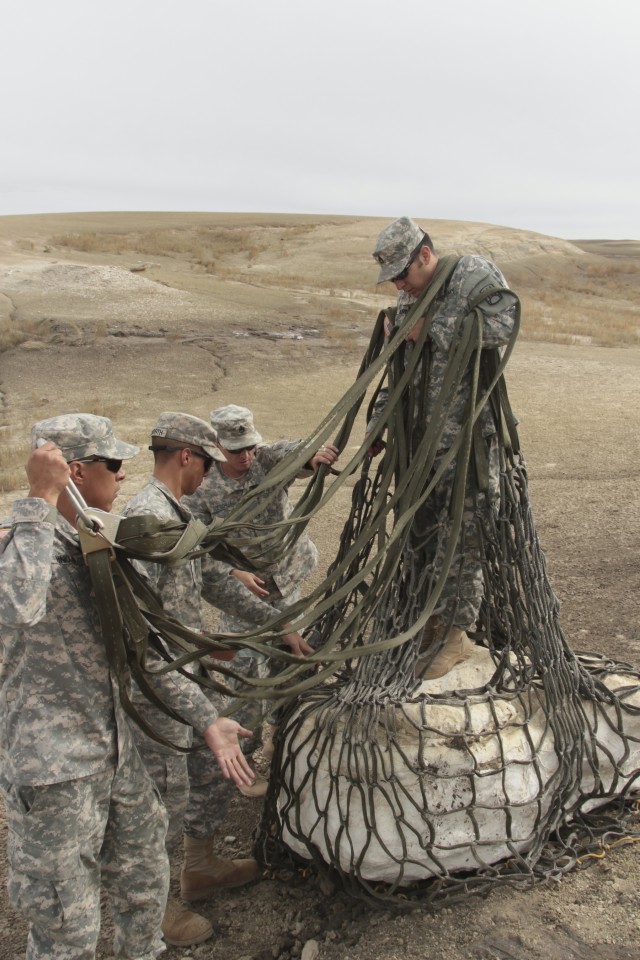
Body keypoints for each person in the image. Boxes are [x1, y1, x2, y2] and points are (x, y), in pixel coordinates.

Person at [0, 413, 254, 960]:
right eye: (112, 465)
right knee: (67, 924)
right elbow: (16, 607)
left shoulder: (93, 544)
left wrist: (207, 718)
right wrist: (38, 499)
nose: (122, 477)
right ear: (74, 471)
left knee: (143, 876)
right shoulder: (16, 542)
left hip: (116, 751)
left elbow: (147, 649)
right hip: (55, 770)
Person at [122, 412, 260, 947]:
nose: (208, 473)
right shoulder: (145, 521)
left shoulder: (174, 513)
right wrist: (196, 652)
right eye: (206, 461)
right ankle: (154, 911)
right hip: (158, 688)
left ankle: (198, 868)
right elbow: (145, 631)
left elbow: (203, 579)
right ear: (186, 456)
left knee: (203, 774)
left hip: (185, 675)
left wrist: (279, 626)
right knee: (158, 801)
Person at [368, 217, 518, 678]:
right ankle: (430, 622)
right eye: (392, 278)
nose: (398, 285)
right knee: (424, 534)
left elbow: (502, 326)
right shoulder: (409, 296)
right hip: (419, 447)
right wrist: (377, 423)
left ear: (425, 255)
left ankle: (457, 635)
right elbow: (398, 368)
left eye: (402, 274)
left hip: (467, 441)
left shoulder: (474, 275)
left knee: (463, 535)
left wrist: (431, 327)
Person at [185, 404, 339, 794]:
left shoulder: (264, 459)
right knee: (249, 675)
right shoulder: (202, 486)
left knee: (294, 661)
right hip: (241, 592)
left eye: (249, 446)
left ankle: (283, 742)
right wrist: (234, 571)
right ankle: (247, 755)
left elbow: (295, 451)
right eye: (236, 450)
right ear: (217, 446)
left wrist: (315, 454)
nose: (246, 456)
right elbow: (197, 541)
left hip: (286, 580)